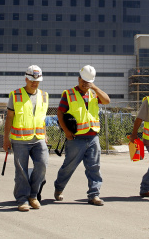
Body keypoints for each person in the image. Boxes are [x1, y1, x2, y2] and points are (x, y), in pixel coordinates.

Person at [53, 65, 111, 206]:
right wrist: (66, 131)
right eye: (83, 81)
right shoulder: (68, 94)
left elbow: (107, 100)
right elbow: (60, 113)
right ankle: (59, 188)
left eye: (88, 82)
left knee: (94, 167)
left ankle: (94, 195)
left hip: (93, 136)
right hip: (76, 138)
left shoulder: (94, 94)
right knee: (69, 166)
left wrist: (95, 88)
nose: (85, 84)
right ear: (78, 78)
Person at [3, 65, 49, 212]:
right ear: (26, 79)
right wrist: (6, 138)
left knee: (42, 165)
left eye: (37, 81)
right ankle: (22, 199)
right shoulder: (15, 95)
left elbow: (42, 117)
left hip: (39, 138)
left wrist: (45, 134)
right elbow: (9, 118)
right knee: (21, 171)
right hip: (19, 140)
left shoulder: (44, 95)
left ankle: (33, 195)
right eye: (32, 81)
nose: (35, 84)